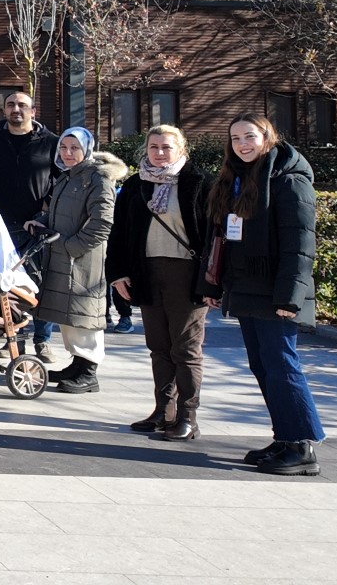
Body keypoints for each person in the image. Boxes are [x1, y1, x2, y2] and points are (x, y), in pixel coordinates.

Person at [207, 115, 324, 476]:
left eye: (249, 137)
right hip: (247, 288)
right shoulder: (239, 179)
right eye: (235, 138)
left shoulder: (289, 180)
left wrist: (290, 297)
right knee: (264, 366)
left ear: (268, 137)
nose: (242, 144)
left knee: (282, 365)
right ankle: (284, 437)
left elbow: (300, 244)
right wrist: (215, 285)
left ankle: (301, 445)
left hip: (275, 293)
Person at [107, 124, 213, 439]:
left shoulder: (201, 182)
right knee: (158, 347)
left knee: (185, 349)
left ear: (181, 149)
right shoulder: (136, 184)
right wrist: (117, 273)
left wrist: (212, 282)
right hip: (147, 273)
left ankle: (187, 417)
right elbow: (119, 231)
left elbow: (214, 234)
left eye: (167, 147)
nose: (160, 153)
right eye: (154, 147)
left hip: (187, 275)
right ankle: (163, 411)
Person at [29, 126, 125, 394]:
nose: (68, 153)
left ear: (87, 149)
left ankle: (89, 372)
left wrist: (72, 247)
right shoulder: (68, 176)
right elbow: (60, 213)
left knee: (85, 315)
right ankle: (78, 364)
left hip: (82, 260)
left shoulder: (97, 178)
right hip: (63, 256)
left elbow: (103, 223)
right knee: (70, 315)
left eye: (75, 148)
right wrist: (40, 222)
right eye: (63, 147)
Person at [0, 91, 61, 357]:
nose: (16, 109)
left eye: (22, 105)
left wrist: (46, 211)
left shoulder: (51, 142)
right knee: (5, 284)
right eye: (10, 105)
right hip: (1, 227)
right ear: (4, 110)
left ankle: (42, 340)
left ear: (33, 111)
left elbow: (60, 179)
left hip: (38, 226)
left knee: (41, 283)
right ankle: (14, 339)